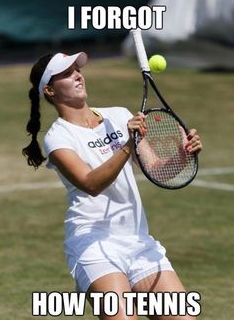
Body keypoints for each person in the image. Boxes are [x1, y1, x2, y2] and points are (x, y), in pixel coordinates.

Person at [23, 51, 202, 320]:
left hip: (139, 242)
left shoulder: (118, 115)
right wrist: (127, 146)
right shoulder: (58, 138)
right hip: (94, 245)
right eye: (66, 73)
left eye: (77, 70)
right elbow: (90, 183)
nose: (77, 75)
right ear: (49, 90)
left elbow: (156, 169)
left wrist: (181, 155)